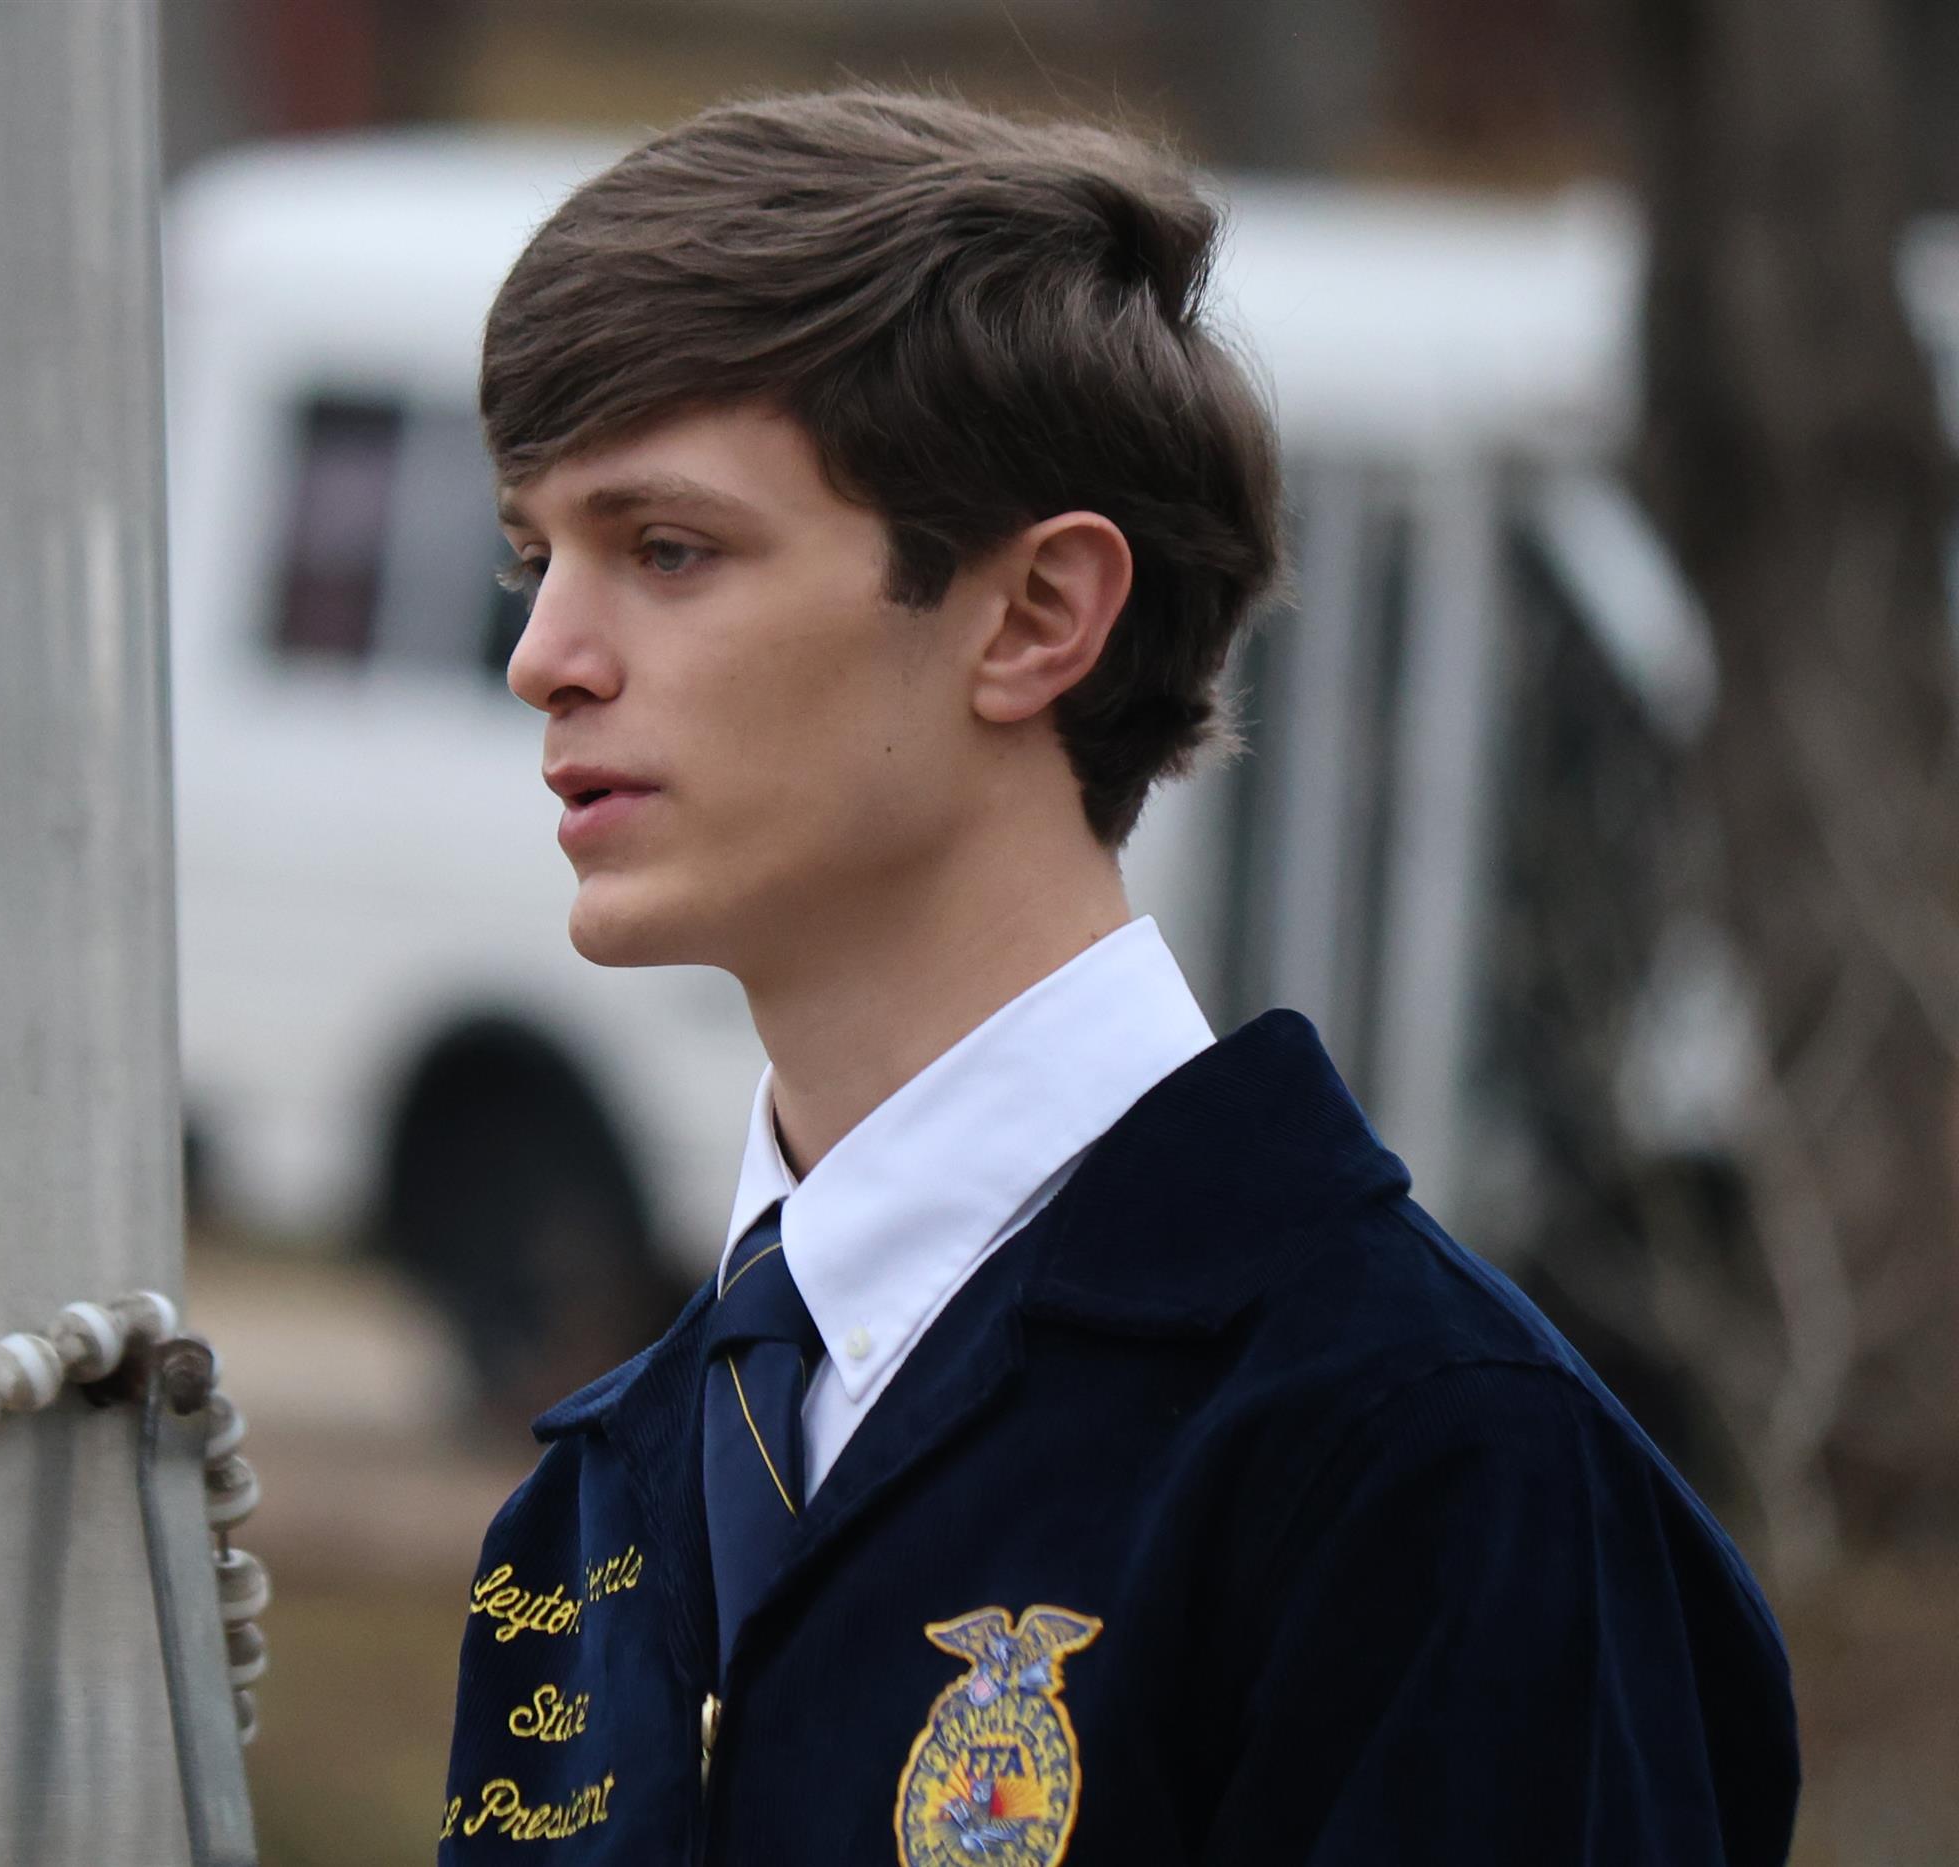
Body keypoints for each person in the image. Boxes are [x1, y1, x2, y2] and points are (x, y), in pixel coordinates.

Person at [435, 88, 1799, 1867]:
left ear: (1035, 616)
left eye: (667, 550)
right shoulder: (588, 1511)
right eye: (536, 556)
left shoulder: (1424, 1459)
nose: (544, 654)